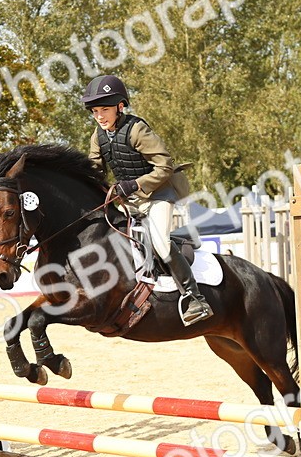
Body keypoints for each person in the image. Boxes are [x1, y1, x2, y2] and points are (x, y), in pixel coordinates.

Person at [81, 74, 212, 325]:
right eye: (95, 111)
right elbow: (94, 171)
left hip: (158, 196)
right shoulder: (98, 136)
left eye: (105, 109)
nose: (99, 116)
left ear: (120, 106)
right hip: (129, 202)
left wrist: (134, 184)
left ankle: (194, 297)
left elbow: (164, 166)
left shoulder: (137, 129)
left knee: (161, 244)